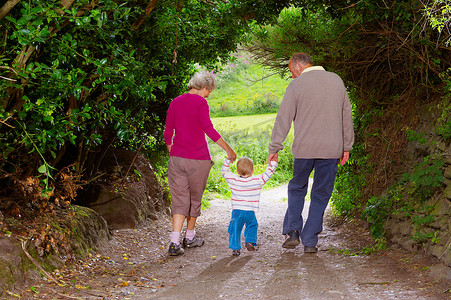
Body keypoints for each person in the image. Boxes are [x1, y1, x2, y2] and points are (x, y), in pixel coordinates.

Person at [267, 53, 354, 253]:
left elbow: (283, 118)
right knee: (321, 194)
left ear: (298, 66)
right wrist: (346, 146)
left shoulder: (296, 86)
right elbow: (346, 115)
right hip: (331, 149)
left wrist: (275, 147)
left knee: (297, 188)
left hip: (304, 149)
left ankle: (293, 231)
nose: (292, 76)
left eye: (291, 72)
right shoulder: (336, 80)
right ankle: (310, 241)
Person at [164, 71, 237, 256]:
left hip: (177, 159)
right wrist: (228, 149)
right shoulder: (201, 102)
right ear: (204, 87)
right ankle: (189, 237)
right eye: (209, 91)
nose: (208, 95)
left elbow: (168, 131)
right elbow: (208, 128)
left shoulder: (175, 102)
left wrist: (172, 150)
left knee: (180, 199)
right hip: (198, 159)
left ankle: (174, 242)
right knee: (194, 198)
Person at [221, 156, 278, 256]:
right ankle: (249, 241)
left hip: (237, 212)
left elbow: (224, 172)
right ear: (252, 171)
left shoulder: (233, 179)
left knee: (235, 229)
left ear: (237, 171)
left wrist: (227, 161)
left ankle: (235, 248)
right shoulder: (257, 180)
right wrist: (273, 164)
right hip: (250, 212)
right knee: (252, 225)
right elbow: (267, 174)